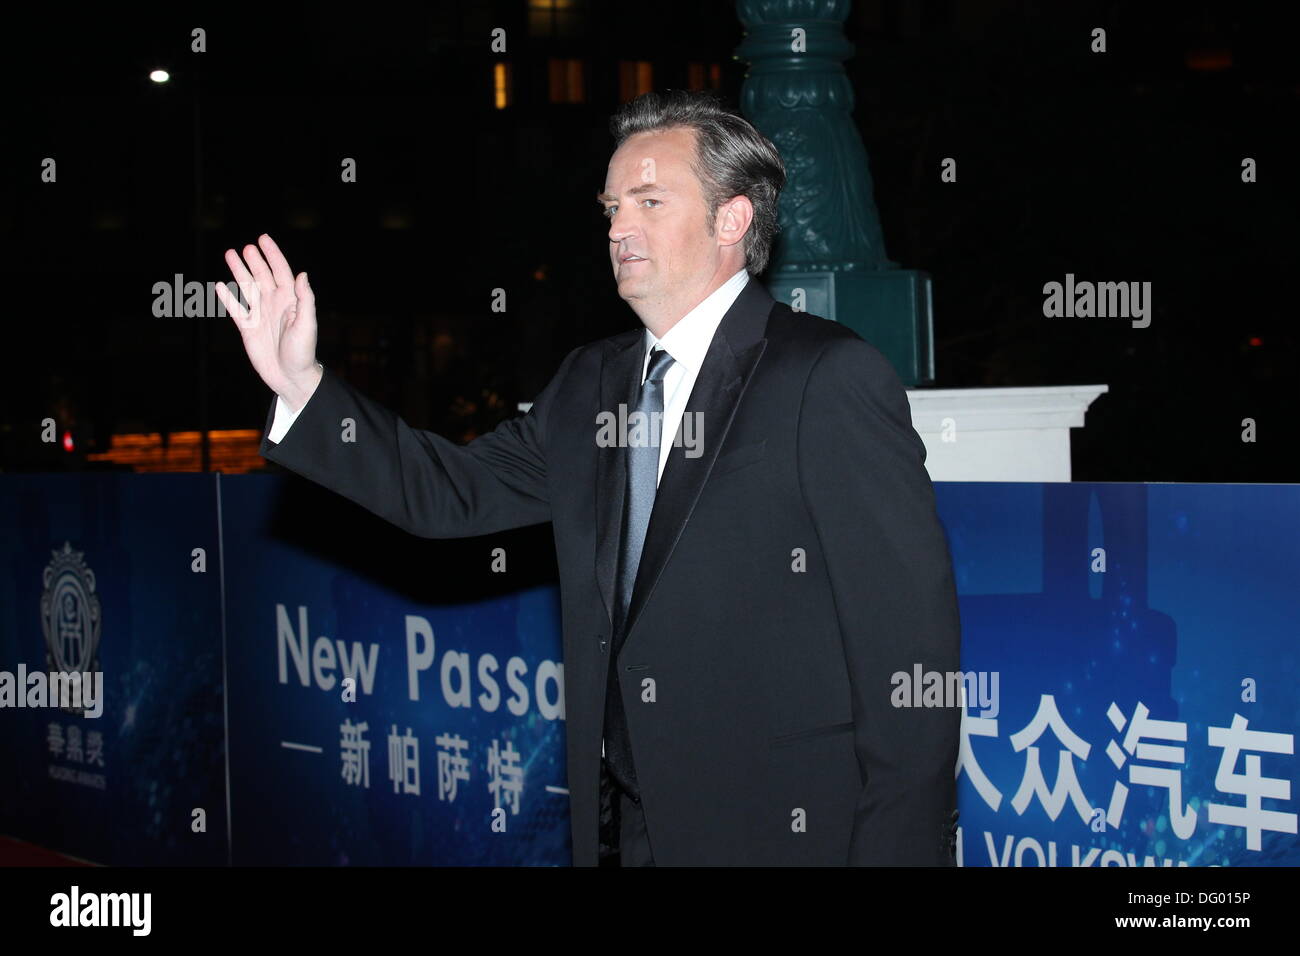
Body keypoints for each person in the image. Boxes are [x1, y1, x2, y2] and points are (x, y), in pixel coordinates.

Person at [217, 89, 962, 867]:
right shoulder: (588, 385)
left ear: (732, 220)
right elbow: (446, 493)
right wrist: (303, 385)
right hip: (623, 833)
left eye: (648, 200)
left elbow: (910, 660)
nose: (617, 228)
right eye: (611, 206)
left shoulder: (825, 376)